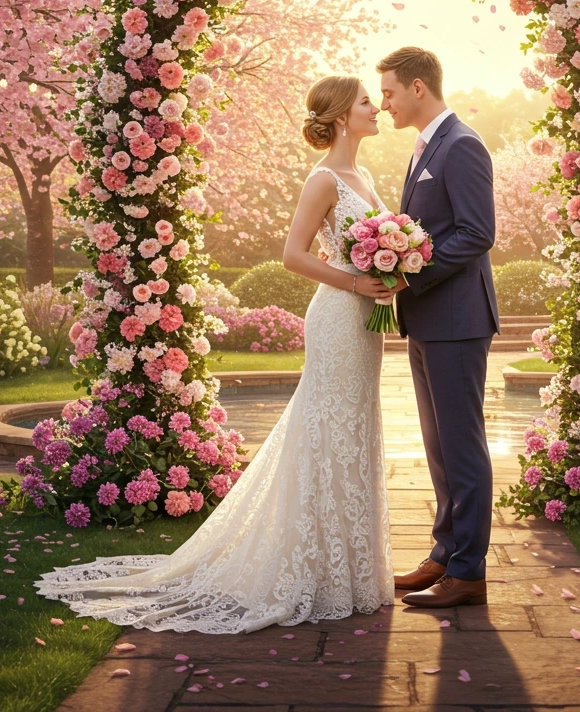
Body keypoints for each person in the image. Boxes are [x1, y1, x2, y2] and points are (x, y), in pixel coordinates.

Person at [35, 76, 397, 633]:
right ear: (342, 116)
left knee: (355, 429)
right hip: (337, 316)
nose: (376, 108)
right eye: (366, 101)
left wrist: (392, 271)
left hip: (365, 322)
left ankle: (347, 571)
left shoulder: (364, 176)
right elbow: (292, 255)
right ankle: (311, 571)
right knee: (327, 430)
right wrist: (355, 283)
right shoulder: (323, 179)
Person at [378, 47, 500, 609]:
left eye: (389, 92)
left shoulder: (462, 144)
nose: (385, 103)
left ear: (418, 87)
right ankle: (445, 553)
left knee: (461, 446)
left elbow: (477, 233)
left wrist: (408, 274)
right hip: (428, 319)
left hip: (457, 320)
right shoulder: (426, 147)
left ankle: (469, 571)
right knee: (439, 447)